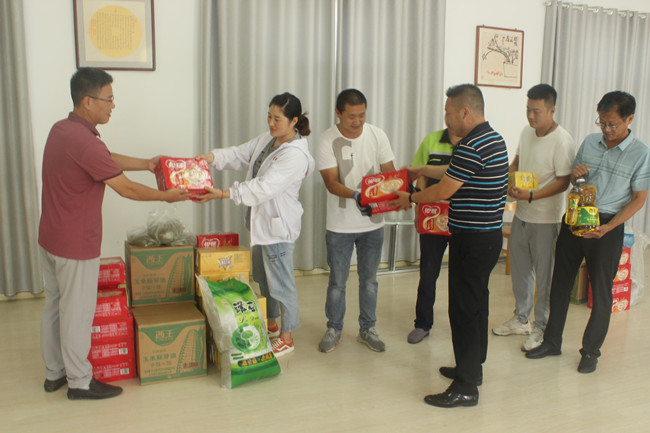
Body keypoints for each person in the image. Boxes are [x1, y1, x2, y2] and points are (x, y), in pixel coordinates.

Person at [39, 67, 189, 400]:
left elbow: (104, 158)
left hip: (50, 237)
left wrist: (148, 164)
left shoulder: (63, 130)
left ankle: (54, 373)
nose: (113, 105)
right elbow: (126, 188)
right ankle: (79, 382)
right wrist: (166, 196)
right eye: (108, 99)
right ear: (87, 101)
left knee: (54, 305)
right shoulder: (84, 142)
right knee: (76, 312)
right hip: (75, 244)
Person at [392, 84, 508, 407]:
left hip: (472, 239)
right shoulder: (493, 139)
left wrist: (411, 197)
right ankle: (472, 368)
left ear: (465, 112)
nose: (446, 118)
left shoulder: (471, 144)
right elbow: (452, 171)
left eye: (448, 112)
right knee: (477, 304)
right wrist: (421, 170)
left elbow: (444, 190)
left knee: (463, 310)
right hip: (487, 236)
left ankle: (466, 388)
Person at [526, 91, 650, 373]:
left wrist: (609, 227)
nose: (606, 130)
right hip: (576, 218)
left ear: (630, 119)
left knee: (601, 291)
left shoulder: (641, 153)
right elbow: (576, 181)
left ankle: (591, 352)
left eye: (612, 124)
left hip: (607, 225)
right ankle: (551, 342)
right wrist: (575, 175)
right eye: (601, 122)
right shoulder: (590, 142)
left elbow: (639, 199)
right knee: (560, 283)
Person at [195, 92, 315, 357]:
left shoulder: (295, 155)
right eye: (269, 116)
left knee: (281, 283)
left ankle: (287, 336)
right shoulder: (266, 140)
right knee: (263, 278)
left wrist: (224, 193)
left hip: (277, 229)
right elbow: (240, 154)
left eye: (278, 119)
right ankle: (271, 323)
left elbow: (264, 187)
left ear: (294, 121)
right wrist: (210, 157)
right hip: (260, 225)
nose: (271, 123)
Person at [491, 84, 576, 352]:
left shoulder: (562, 140)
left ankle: (541, 326)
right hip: (522, 214)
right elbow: (517, 161)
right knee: (520, 270)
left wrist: (532, 195)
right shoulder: (527, 132)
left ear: (552, 110)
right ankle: (521, 318)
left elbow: (563, 181)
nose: (530, 116)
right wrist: (509, 179)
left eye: (536, 111)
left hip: (547, 219)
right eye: (528, 109)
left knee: (544, 275)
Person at [316, 89, 396, 353]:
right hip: (339, 226)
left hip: (373, 225)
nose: (357, 121)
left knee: (369, 280)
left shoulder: (377, 135)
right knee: (337, 282)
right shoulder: (327, 139)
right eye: (351, 116)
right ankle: (334, 328)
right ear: (338, 113)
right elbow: (331, 182)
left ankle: (367, 329)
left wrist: (393, 192)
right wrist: (357, 195)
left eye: (362, 115)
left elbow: (390, 174)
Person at [406, 128, 462, 344]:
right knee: (428, 272)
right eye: (446, 113)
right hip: (433, 215)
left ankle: (460, 325)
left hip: (462, 219)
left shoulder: (472, 142)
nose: (449, 117)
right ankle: (422, 323)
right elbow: (421, 177)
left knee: (461, 276)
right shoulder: (432, 140)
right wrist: (418, 209)